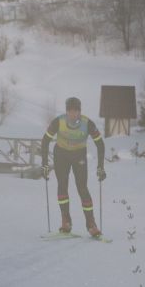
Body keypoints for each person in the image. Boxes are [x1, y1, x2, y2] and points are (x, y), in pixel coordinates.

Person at [41, 97, 106, 237]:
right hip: (61, 155)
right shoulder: (58, 122)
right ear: (66, 111)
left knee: (82, 188)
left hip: (79, 156)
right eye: (70, 111)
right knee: (62, 185)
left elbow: (100, 144)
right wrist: (44, 164)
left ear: (80, 111)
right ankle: (66, 221)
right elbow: (45, 140)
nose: (73, 114)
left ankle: (91, 224)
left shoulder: (87, 123)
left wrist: (101, 167)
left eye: (76, 111)